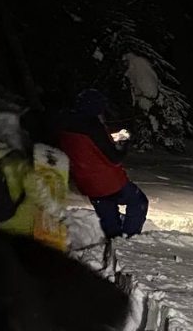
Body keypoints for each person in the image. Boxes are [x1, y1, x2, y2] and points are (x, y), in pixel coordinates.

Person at [58, 89, 148, 239]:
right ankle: (130, 238)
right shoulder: (93, 126)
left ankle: (115, 242)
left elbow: (89, 147)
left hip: (87, 184)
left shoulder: (65, 125)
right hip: (109, 182)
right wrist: (124, 144)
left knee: (110, 221)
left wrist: (110, 138)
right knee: (138, 201)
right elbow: (114, 158)